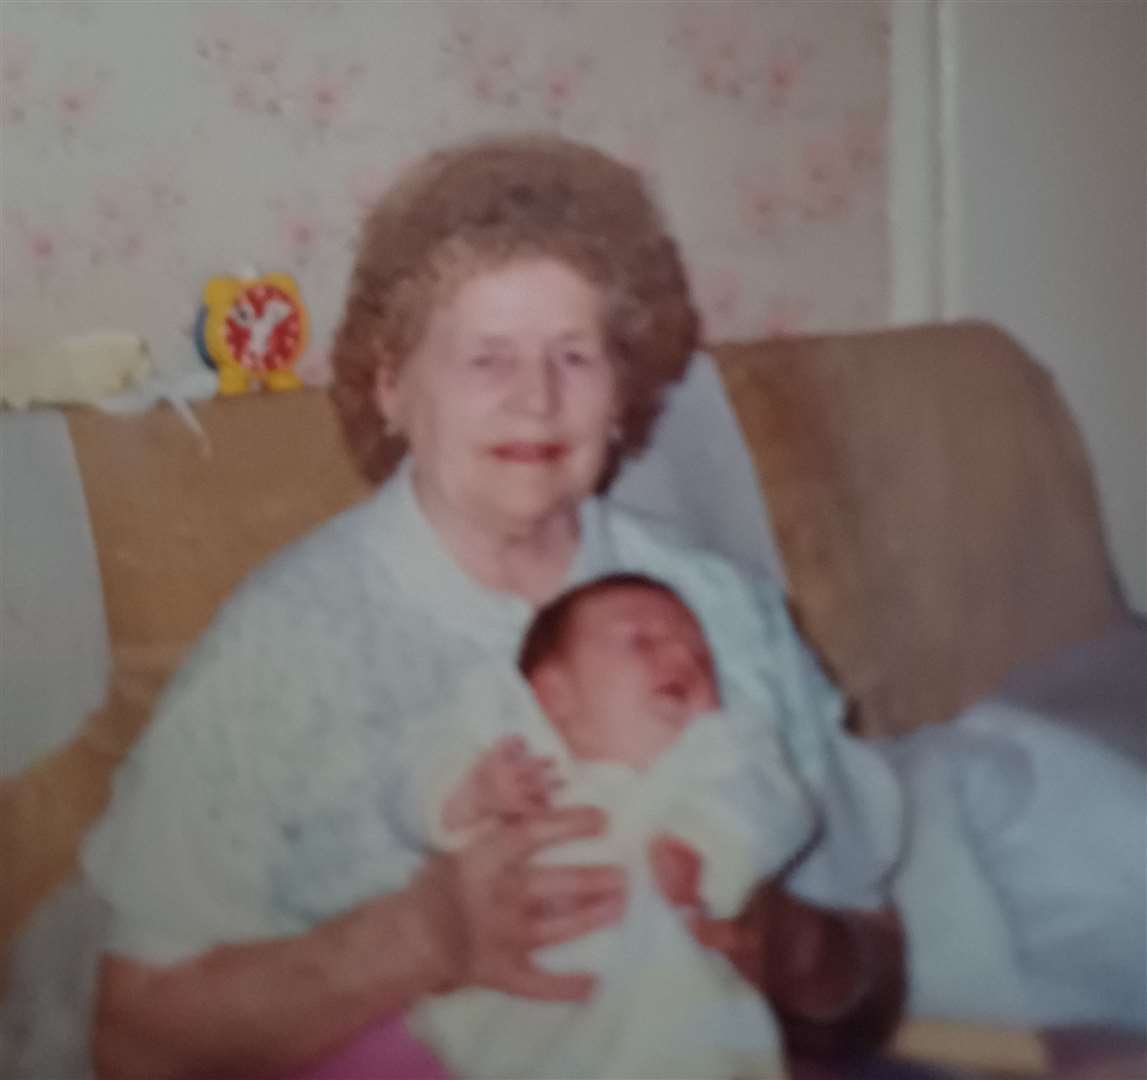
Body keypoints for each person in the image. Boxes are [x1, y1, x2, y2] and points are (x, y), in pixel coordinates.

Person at [83, 134, 904, 1080]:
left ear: (622, 393)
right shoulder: (281, 645)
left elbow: (871, 970)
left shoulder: (724, 613)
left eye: (574, 356)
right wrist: (417, 939)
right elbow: (133, 1035)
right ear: (391, 385)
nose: (535, 401)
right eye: (485, 359)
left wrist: (789, 950)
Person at [367, 572, 815, 1079]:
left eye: (702, 659)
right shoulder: (511, 741)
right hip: (505, 1020)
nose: (681, 660)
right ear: (554, 693)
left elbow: (778, 802)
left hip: (666, 1019)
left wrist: (703, 846)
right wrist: (469, 791)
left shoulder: (717, 747)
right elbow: (407, 776)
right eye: (642, 641)